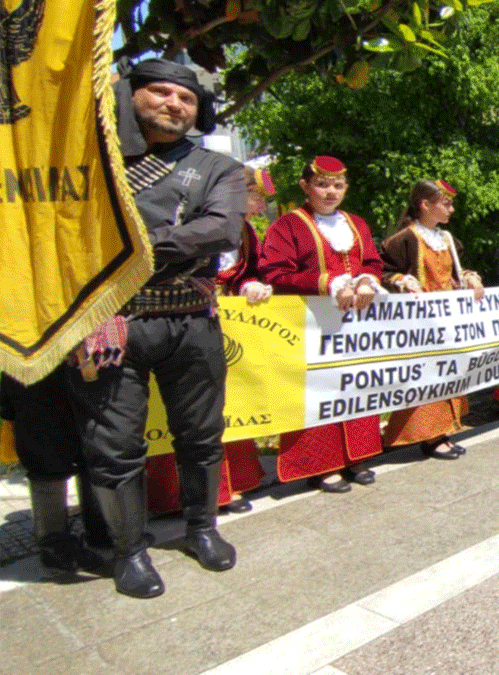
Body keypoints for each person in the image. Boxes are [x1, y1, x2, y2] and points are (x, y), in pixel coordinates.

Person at [64, 58, 245, 598]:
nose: (175, 104)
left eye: (186, 98)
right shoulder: (91, 160)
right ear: (131, 96)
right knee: (114, 445)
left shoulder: (217, 167)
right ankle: (129, 552)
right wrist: (170, 243)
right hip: (110, 322)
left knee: (201, 434)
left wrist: (130, 247)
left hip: (190, 320)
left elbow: (221, 229)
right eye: (161, 93)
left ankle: (202, 528)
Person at [145, 166, 273, 517]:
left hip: (229, 321)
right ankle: (181, 494)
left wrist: (249, 285)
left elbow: (248, 271)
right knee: (189, 406)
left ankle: (237, 480)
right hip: (185, 315)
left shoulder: (245, 230)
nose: (260, 206)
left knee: (232, 401)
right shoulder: (197, 220)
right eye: (257, 197)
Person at [260, 156, 385, 493]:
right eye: (322, 184)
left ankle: (357, 454)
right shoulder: (287, 225)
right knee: (319, 389)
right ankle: (321, 464)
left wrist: (366, 281)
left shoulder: (356, 224)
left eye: (338, 185)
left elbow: (372, 262)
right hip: (311, 324)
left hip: (354, 325)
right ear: (305, 186)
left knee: (356, 384)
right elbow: (274, 272)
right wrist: (329, 283)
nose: (331, 192)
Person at [380, 179, 486, 458]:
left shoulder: (446, 238)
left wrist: (469, 277)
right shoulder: (405, 238)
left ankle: (443, 431)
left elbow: (454, 273)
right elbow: (381, 272)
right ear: (425, 205)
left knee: (448, 373)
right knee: (427, 377)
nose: (452, 209)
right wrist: (403, 280)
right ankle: (428, 436)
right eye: (446, 204)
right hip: (421, 324)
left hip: (447, 320)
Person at [2, 372, 110, 574]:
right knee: (45, 454)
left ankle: (100, 529)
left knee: (91, 450)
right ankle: (55, 545)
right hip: (33, 377)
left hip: (71, 374)